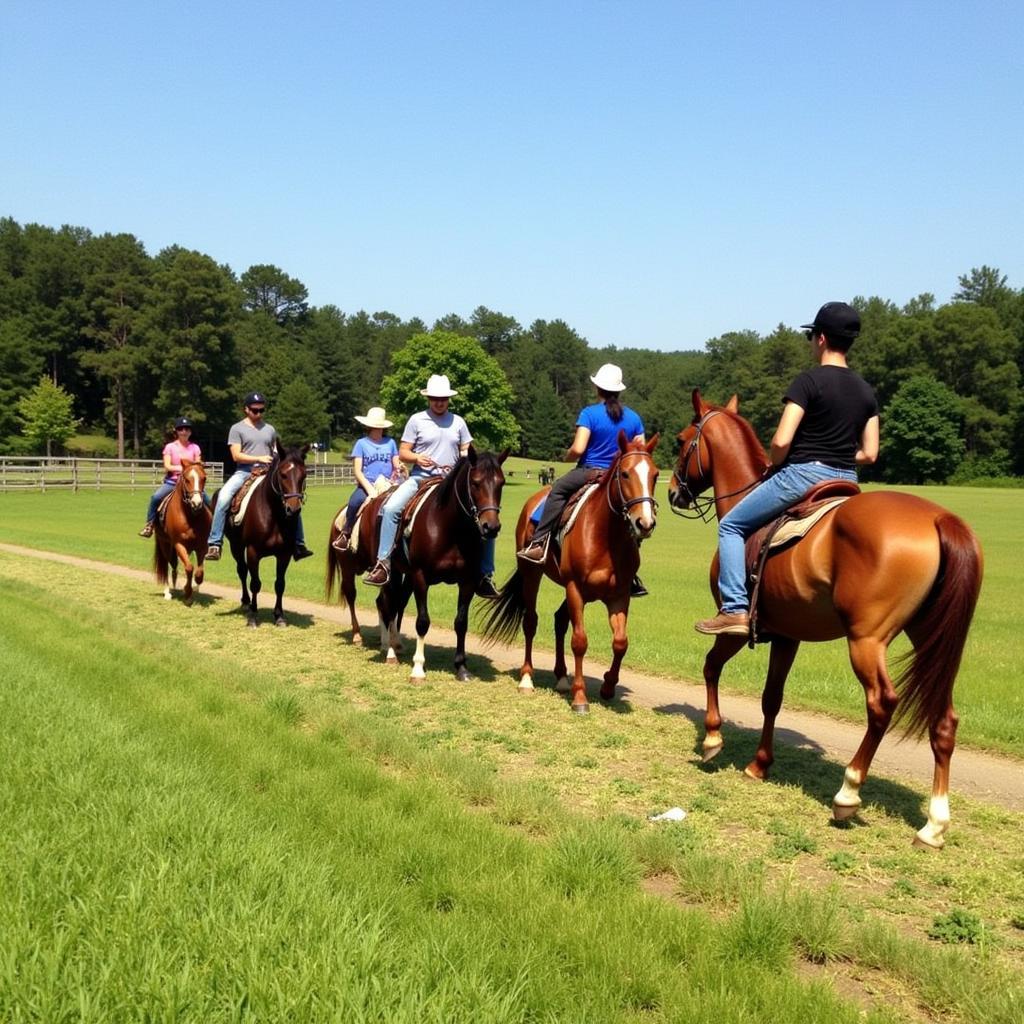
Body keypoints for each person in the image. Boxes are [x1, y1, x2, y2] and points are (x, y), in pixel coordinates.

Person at [695, 301, 880, 636]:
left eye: (812, 337)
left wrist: (778, 461)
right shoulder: (866, 390)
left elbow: (781, 442)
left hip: (803, 475)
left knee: (732, 526)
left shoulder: (808, 382)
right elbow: (870, 453)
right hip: (847, 482)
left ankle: (735, 608)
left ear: (821, 339)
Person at [517, 363, 649, 597]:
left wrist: (566, 455)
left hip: (589, 472)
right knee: (632, 515)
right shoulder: (634, 418)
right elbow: (641, 450)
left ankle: (538, 544)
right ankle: (631, 575)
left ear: (598, 388)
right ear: (619, 390)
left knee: (557, 491)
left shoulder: (589, 413)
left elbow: (578, 449)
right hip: (619, 478)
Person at [362, 374, 498, 597]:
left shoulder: (459, 422)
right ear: (428, 398)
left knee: (485, 518)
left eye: (443, 398)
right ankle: (383, 563)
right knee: (390, 508)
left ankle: (484, 575)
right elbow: (403, 451)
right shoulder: (416, 420)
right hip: (421, 478)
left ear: (448, 399)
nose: (439, 402)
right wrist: (416, 458)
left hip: (451, 483)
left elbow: (467, 450)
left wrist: (463, 456)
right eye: (435, 398)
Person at [206, 391, 314, 562]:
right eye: (255, 410)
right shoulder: (237, 429)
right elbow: (236, 455)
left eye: (261, 410)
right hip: (244, 472)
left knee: (292, 500)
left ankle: (299, 544)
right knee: (223, 497)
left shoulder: (269, 429)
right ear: (246, 410)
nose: (258, 414)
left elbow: (276, 451)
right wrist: (258, 458)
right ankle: (214, 543)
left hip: (268, 472)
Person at [331, 406, 402, 552]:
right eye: (374, 426)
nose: (377, 429)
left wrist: (400, 468)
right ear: (368, 426)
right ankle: (346, 532)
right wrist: (369, 488)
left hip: (388, 484)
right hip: (367, 484)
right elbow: (357, 470)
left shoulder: (391, 443)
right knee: (355, 502)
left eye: (379, 426)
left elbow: (396, 463)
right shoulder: (361, 443)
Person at [138, 416, 206, 537]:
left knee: (209, 501)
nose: (184, 432)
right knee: (155, 497)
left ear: (190, 432)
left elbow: (198, 464)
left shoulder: (195, 447)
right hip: (172, 482)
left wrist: (193, 471)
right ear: (176, 431)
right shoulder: (170, 447)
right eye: (181, 429)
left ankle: (212, 530)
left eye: (187, 429)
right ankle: (149, 525)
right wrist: (183, 469)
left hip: (190, 484)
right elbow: (167, 466)